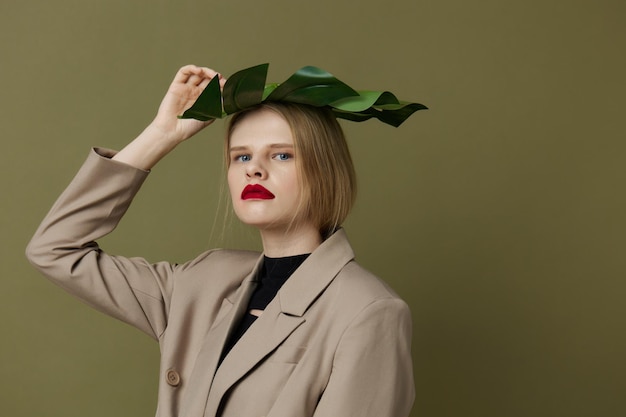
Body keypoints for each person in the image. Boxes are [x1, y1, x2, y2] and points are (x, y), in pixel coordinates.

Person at [26, 65, 416, 417]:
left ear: (325, 169)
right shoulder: (203, 280)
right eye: (240, 157)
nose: (255, 171)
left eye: (281, 155)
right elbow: (55, 249)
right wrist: (162, 134)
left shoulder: (367, 311)